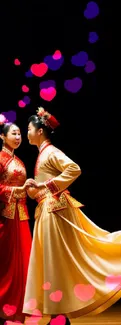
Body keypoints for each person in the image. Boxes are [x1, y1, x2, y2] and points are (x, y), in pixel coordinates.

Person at [23, 107, 121, 325]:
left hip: (56, 212)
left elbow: (74, 169)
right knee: (55, 262)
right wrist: (34, 189)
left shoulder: (50, 152)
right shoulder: (44, 153)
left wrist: (46, 185)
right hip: (49, 210)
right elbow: (48, 183)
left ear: (39, 131)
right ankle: (58, 313)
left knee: (60, 260)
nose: (27, 132)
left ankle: (59, 313)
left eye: (28, 128)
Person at [0, 114, 35, 324]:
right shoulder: (0, 158)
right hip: (5, 216)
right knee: (6, 264)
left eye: (20, 133)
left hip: (21, 215)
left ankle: (19, 308)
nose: (18, 136)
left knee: (24, 262)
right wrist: (18, 190)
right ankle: (3, 308)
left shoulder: (19, 160)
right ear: (2, 136)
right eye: (13, 133)